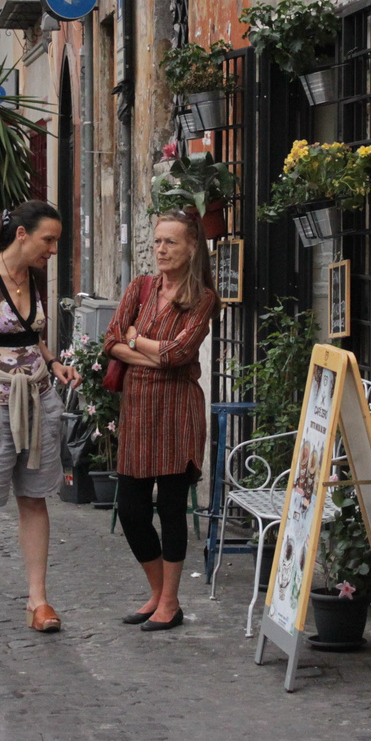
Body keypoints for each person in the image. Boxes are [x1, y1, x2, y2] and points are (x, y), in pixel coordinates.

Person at [0, 200, 81, 639]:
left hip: (38, 401)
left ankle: (38, 600)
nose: (52, 249)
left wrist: (53, 362)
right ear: (21, 235)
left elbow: (32, 332)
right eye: (48, 240)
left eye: (56, 242)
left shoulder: (35, 277)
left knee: (35, 499)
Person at [100, 210, 219, 632]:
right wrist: (141, 346)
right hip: (138, 411)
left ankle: (170, 602)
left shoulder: (203, 297)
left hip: (176, 412)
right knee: (131, 509)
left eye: (171, 242)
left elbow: (178, 355)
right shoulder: (141, 287)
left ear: (191, 249)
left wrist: (137, 340)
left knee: (170, 507)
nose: (161, 250)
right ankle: (156, 591)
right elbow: (111, 341)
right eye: (157, 242)